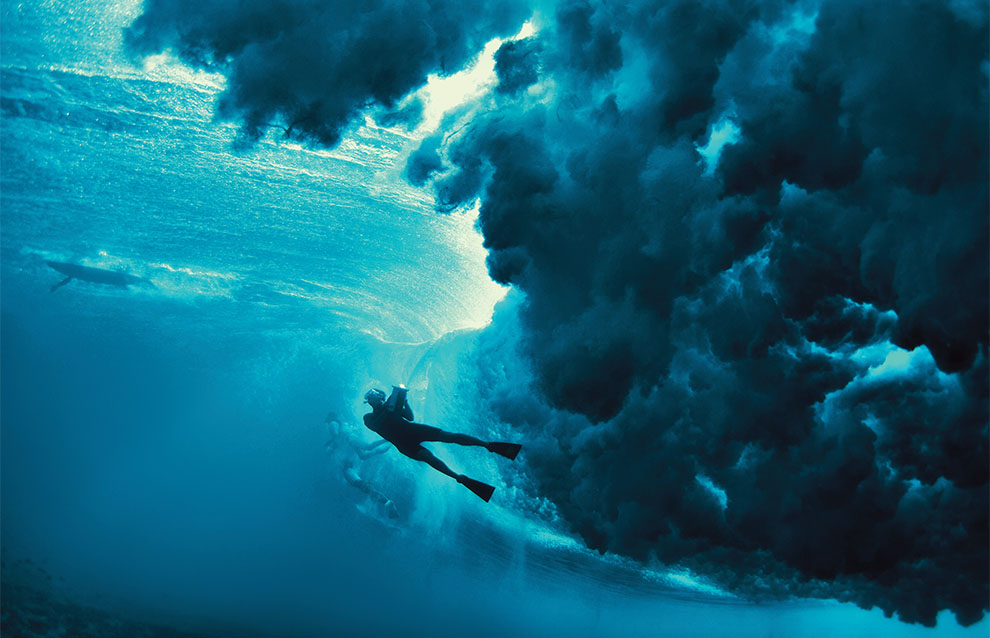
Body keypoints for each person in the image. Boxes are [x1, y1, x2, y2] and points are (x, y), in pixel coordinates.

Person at [362, 386, 522, 502]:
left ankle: (488, 445)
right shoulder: (369, 418)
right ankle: (459, 478)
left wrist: (405, 401)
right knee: (429, 458)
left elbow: (409, 417)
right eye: (370, 397)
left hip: (413, 430)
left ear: (381, 397)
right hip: (404, 444)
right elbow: (377, 424)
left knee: (449, 436)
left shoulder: (392, 407)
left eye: (374, 395)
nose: (372, 398)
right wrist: (394, 400)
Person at [325, 413, 398, 519]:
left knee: (367, 447)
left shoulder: (332, 423)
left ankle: (388, 438)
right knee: (363, 456)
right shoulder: (335, 427)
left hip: (349, 440)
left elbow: (335, 434)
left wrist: (331, 443)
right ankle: (388, 444)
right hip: (348, 452)